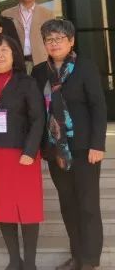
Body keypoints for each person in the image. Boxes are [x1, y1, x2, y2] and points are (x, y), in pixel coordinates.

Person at [31, 19, 107, 270]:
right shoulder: (39, 72)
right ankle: (77, 256)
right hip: (56, 150)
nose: (54, 43)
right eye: (49, 39)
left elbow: (98, 107)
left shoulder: (85, 67)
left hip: (84, 148)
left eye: (59, 38)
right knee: (68, 205)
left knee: (87, 205)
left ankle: (90, 260)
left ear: (71, 41)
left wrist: (98, 144)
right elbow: (37, 111)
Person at [0, 34, 45, 270]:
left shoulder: (27, 82)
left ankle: (30, 263)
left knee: (28, 208)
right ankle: (14, 260)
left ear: (14, 54)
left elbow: (38, 119)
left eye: (4, 50)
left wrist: (30, 150)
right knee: (3, 208)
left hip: (23, 154)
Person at [1, 0, 55, 70]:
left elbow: (52, 38)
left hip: (42, 60)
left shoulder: (48, 14)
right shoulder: (6, 14)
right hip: (15, 62)